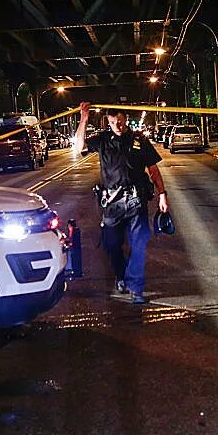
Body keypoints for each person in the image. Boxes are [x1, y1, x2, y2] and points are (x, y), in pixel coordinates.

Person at [73, 102, 168, 304]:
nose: (119, 125)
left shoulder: (139, 140)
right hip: (112, 204)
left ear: (126, 119)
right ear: (108, 121)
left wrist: (162, 194)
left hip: (135, 201)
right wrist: (84, 117)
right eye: (115, 121)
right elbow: (79, 146)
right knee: (111, 245)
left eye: (122, 121)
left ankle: (136, 288)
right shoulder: (102, 140)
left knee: (138, 243)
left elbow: (153, 169)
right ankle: (121, 275)